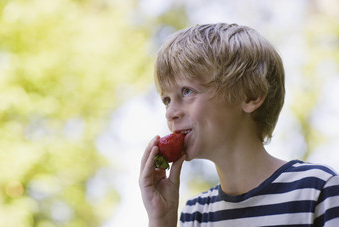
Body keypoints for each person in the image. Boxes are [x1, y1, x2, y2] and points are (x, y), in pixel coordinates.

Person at [139, 23, 339, 226]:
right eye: (167, 100)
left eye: (187, 91)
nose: (170, 113)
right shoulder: (195, 214)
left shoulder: (318, 190)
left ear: (251, 95)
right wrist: (161, 219)